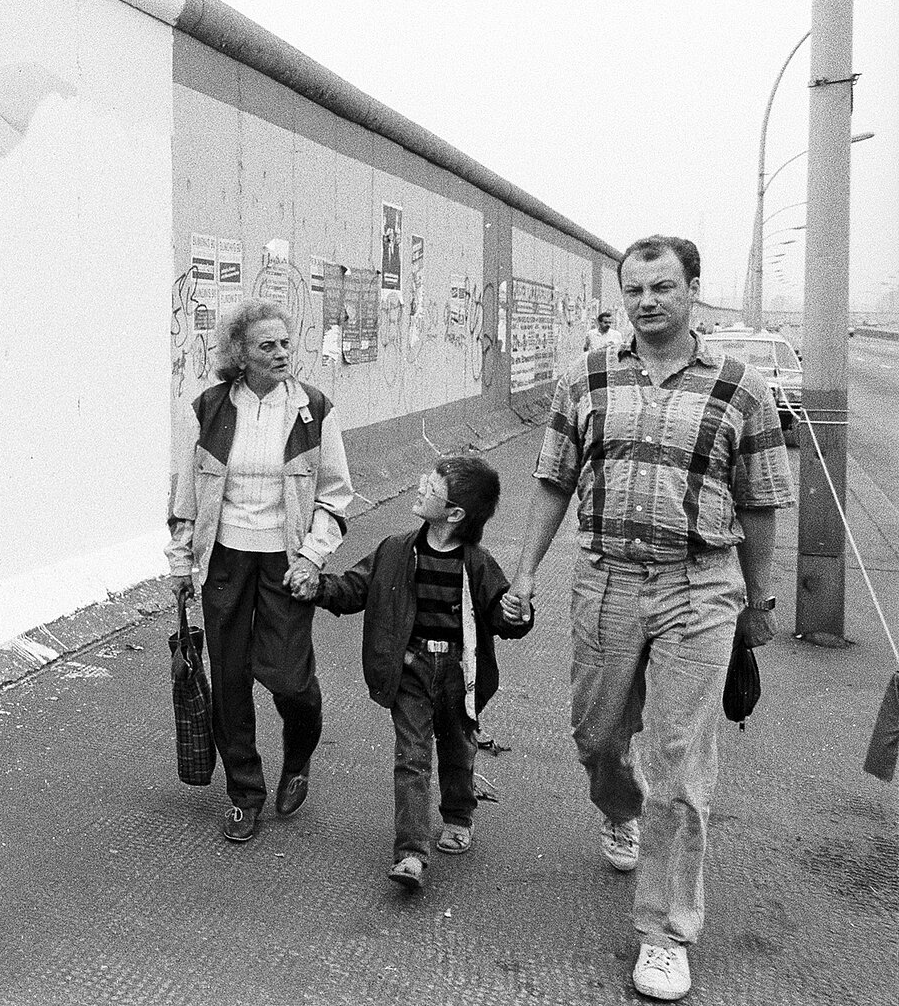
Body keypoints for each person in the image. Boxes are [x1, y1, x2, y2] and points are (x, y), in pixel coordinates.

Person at [507, 235, 792, 1002]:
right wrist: (527, 572)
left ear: (693, 288)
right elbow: (552, 481)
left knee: (679, 761)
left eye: (663, 286)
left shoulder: (743, 389)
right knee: (597, 735)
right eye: (635, 289)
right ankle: (619, 808)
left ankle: (665, 932)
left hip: (700, 587)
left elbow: (762, 502)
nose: (647, 301)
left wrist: (757, 603)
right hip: (604, 581)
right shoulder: (587, 376)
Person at [166, 299, 354, 842]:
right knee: (228, 681)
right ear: (240, 355)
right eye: (265, 346)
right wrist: (182, 561)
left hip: (285, 558)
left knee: (290, 679)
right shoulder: (209, 408)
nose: (280, 353)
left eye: (285, 343)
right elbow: (187, 495)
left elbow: (336, 494)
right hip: (225, 556)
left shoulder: (314, 409)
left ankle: (297, 758)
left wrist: (314, 556)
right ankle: (244, 793)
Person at [300, 454, 532, 889]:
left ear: (455, 514)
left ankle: (459, 814)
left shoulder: (477, 563)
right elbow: (353, 589)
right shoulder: (394, 550)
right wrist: (318, 588)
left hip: (459, 672)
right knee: (412, 757)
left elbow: (501, 618)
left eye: (433, 485)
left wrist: (516, 613)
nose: (422, 485)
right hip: (410, 668)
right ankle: (410, 853)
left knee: (458, 746)